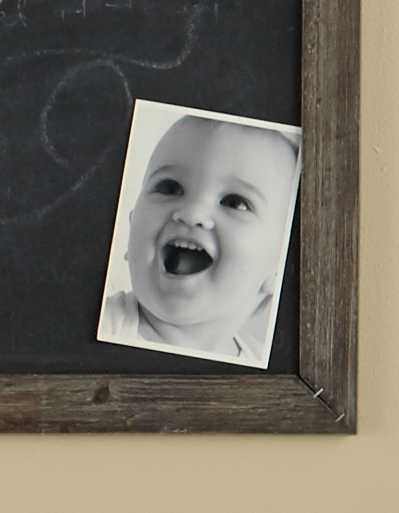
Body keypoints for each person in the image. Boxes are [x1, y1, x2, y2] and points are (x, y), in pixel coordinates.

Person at [97, 105, 299, 364]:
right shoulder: (104, 322)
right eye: (170, 187)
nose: (191, 213)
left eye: (235, 202)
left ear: (280, 268)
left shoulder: (265, 364)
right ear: (130, 224)